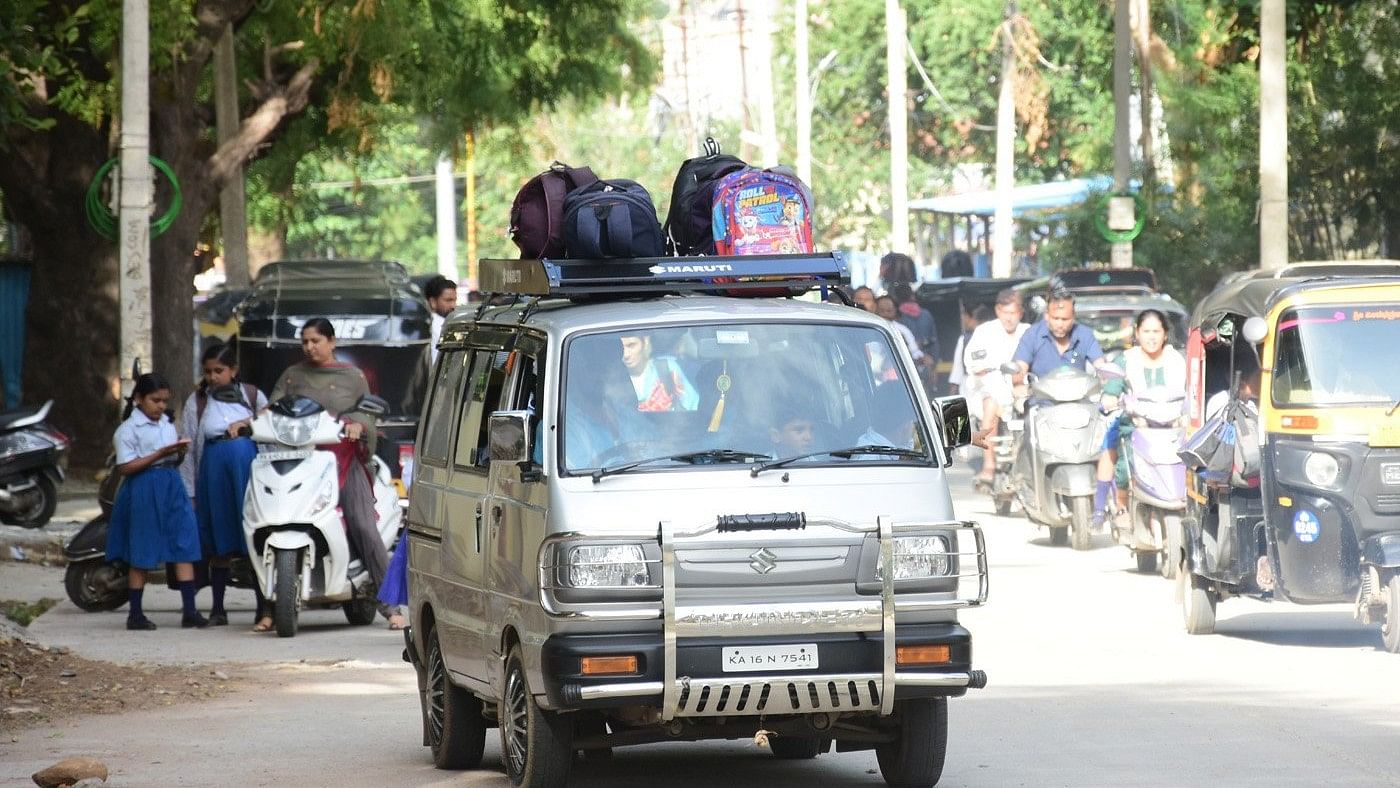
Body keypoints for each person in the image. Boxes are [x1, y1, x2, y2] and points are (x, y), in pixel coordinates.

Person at [269, 318, 403, 630]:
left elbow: (366, 413)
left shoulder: (352, 377)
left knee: (363, 525)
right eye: (304, 341)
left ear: (331, 342)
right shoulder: (292, 375)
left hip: (345, 461)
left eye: (315, 340)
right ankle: (266, 609)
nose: (309, 347)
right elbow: (272, 409)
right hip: (299, 460)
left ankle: (390, 606)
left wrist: (358, 425)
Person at [106, 373, 205, 631]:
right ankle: (135, 614)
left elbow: (172, 458)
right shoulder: (128, 429)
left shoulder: (166, 424)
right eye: (155, 400)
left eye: (164, 401)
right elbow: (126, 467)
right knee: (143, 548)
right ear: (139, 399)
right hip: (143, 486)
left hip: (171, 484)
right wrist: (159, 454)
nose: (161, 406)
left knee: (184, 542)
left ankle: (190, 610)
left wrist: (177, 454)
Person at [179, 343, 268, 628]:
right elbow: (190, 448)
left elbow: (269, 432)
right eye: (208, 372)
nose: (213, 377)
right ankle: (218, 607)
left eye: (219, 371)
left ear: (233, 370)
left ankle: (263, 606)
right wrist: (190, 491)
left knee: (255, 535)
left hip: (247, 469)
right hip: (213, 469)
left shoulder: (252, 397)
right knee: (218, 538)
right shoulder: (198, 402)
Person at [1093, 309, 1187, 528]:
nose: (1151, 337)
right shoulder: (1127, 360)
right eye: (1146, 331)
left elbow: (1192, 387)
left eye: (1156, 331)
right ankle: (1122, 504)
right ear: (1137, 333)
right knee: (1126, 466)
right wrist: (1110, 396)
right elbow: (1114, 384)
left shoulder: (1178, 359)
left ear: (1165, 334)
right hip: (1136, 425)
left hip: (1173, 427)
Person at [964, 289, 1028, 484]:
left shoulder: (1029, 331)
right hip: (991, 386)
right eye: (1005, 313)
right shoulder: (985, 332)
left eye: (1013, 313)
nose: (1009, 318)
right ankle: (989, 464)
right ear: (998, 311)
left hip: (1023, 387)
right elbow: (975, 364)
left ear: (1021, 313)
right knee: (990, 404)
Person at [1010, 289, 1105, 381]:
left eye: (1065, 319)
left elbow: (1101, 366)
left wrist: (1106, 382)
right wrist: (1019, 384)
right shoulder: (1032, 335)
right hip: (1041, 396)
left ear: (1073, 317)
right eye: (1055, 318)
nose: (1060, 325)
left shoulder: (1085, 335)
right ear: (1046, 315)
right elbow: (1020, 369)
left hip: (1078, 395)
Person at [402, 275, 459, 413]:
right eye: (448, 300)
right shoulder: (433, 327)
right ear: (433, 302)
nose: (453, 305)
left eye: (454, 300)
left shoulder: (451, 324)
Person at [620, 333, 699, 412]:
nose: (626, 354)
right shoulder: (614, 380)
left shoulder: (666, 368)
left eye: (631, 345)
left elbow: (692, 405)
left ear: (645, 341)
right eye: (621, 348)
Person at [889, 282, 938, 392]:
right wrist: (933, 364)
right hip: (927, 364)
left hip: (906, 365)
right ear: (912, 296)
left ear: (895, 298)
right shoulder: (926, 314)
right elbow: (934, 342)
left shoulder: (897, 317)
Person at [948, 305, 992, 396]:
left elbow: (957, 371)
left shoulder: (965, 340)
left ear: (972, 318)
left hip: (970, 392)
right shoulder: (998, 337)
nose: (963, 320)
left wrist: (951, 397)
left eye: (965, 316)